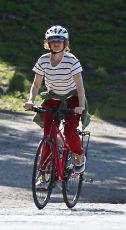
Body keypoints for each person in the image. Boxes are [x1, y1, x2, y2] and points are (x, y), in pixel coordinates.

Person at [24, 25, 89, 188]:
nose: (56, 43)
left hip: (73, 98)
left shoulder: (72, 60)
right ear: (48, 43)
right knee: (47, 136)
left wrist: (81, 106)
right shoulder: (43, 60)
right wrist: (31, 100)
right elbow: (36, 84)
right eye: (53, 40)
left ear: (65, 43)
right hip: (53, 97)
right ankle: (44, 175)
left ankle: (79, 155)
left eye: (60, 40)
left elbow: (80, 87)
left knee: (69, 131)